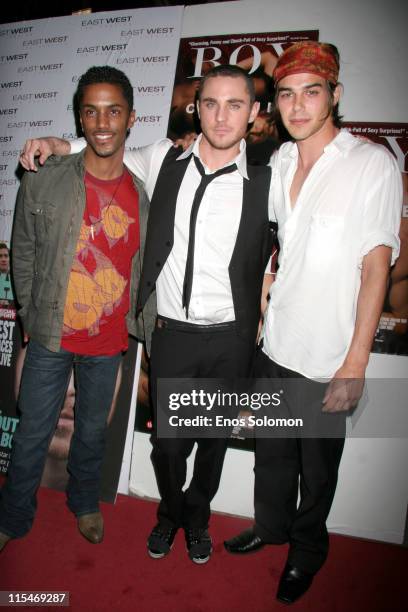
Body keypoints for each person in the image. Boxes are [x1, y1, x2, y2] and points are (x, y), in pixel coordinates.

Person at [20, 65, 274, 564]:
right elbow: (101, 144)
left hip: (232, 337)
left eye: (235, 104)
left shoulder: (271, 180)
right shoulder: (164, 159)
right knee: (168, 446)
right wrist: (55, 141)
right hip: (172, 333)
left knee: (214, 444)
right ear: (194, 107)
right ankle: (169, 515)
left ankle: (195, 520)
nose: (221, 116)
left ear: (254, 113)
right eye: (211, 103)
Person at [223, 42, 402, 604]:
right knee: (272, 459)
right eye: (286, 94)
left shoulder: (371, 163)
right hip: (276, 345)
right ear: (275, 104)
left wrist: (356, 361)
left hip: (329, 357)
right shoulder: (278, 161)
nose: (298, 106)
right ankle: (270, 528)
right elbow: (280, 246)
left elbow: (377, 267)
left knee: (318, 473)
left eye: (312, 92)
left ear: (336, 96)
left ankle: (306, 553)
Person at [0, 65, 151, 554]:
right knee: (31, 435)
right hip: (49, 335)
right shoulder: (45, 180)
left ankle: (85, 503)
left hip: (109, 344)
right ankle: (14, 515)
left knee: (91, 433)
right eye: (91, 111)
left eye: (113, 110)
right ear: (79, 119)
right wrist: (28, 311)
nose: (102, 122)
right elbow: (22, 249)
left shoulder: (142, 195)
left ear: (131, 117)